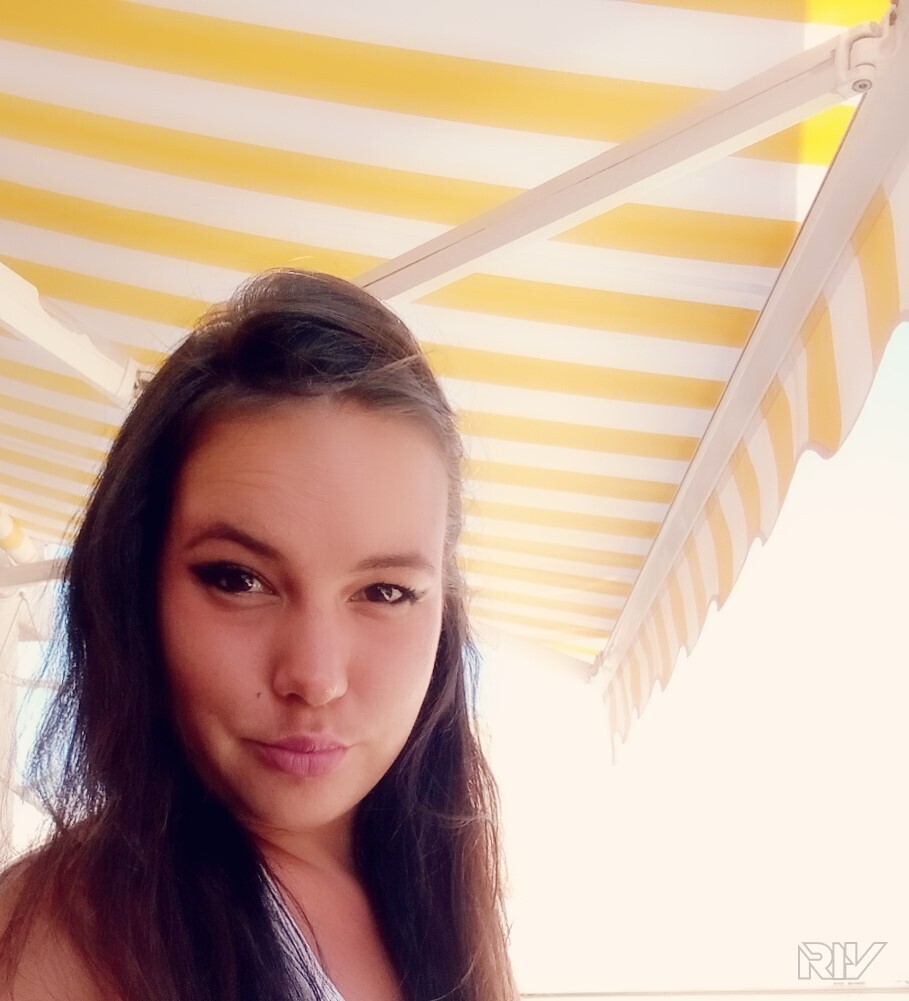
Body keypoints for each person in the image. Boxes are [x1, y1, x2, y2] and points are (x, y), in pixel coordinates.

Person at [0, 270, 516, 1001]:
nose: (315, 677)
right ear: (136, 585)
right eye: (238, 580)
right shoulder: (58, 943)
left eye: (385, 591)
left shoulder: (437, 885)